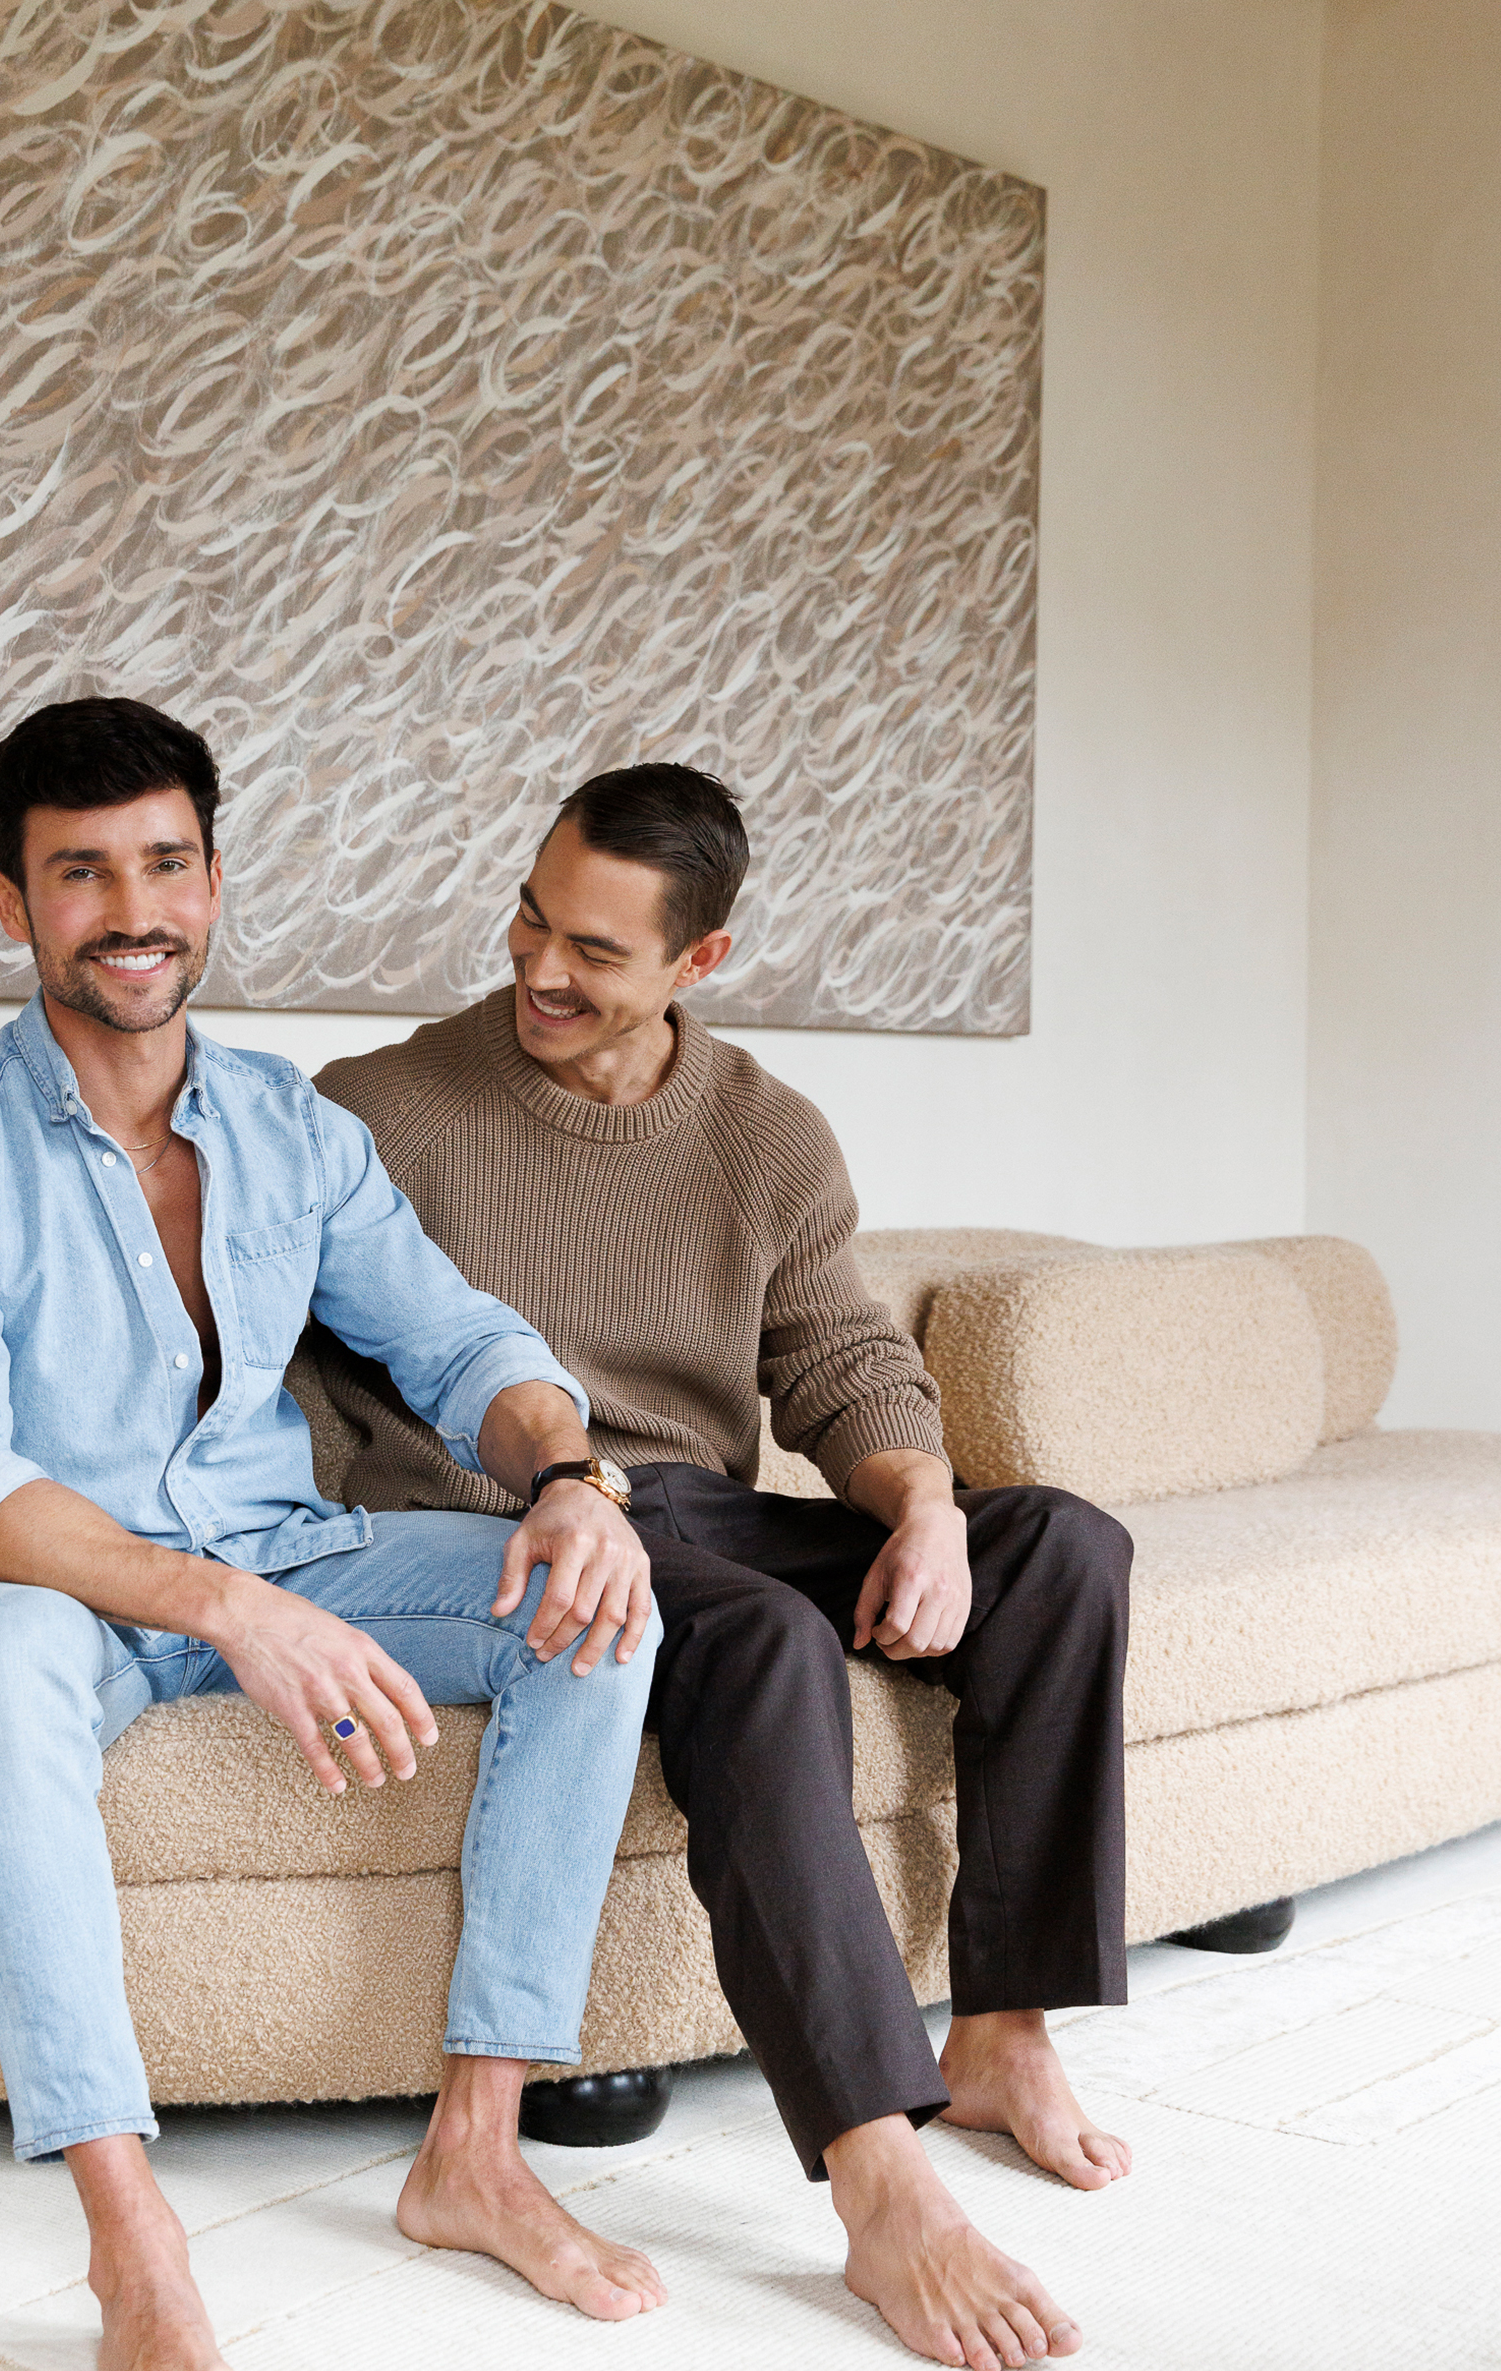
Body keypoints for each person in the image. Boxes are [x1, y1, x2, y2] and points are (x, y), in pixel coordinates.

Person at [0, 699, 667, 2371]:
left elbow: (461, 1343)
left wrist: (575, 1478)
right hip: (29, 1593)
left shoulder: (294, 1130)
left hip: (282, 1549)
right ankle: (130, 2235)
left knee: (595, 1608)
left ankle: (478, 2152)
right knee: (0, 1663)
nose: (130, 908)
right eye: (79, 873)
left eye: (164, 862)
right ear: (13, 905)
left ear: (212, 882)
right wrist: (223, 1606)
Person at [314, 765, 1136, 2371]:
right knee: (754, 1631)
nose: (542, 968)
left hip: (699, 1505)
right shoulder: (377, 1109)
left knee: (1063, 1550)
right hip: (497, 1522)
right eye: (533, 919)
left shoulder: (767, 1136)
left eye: (597, 952)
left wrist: (924, 1508)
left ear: (702, 961)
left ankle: (1001, 2031)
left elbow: (837, 1362)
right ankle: (877, 2175)